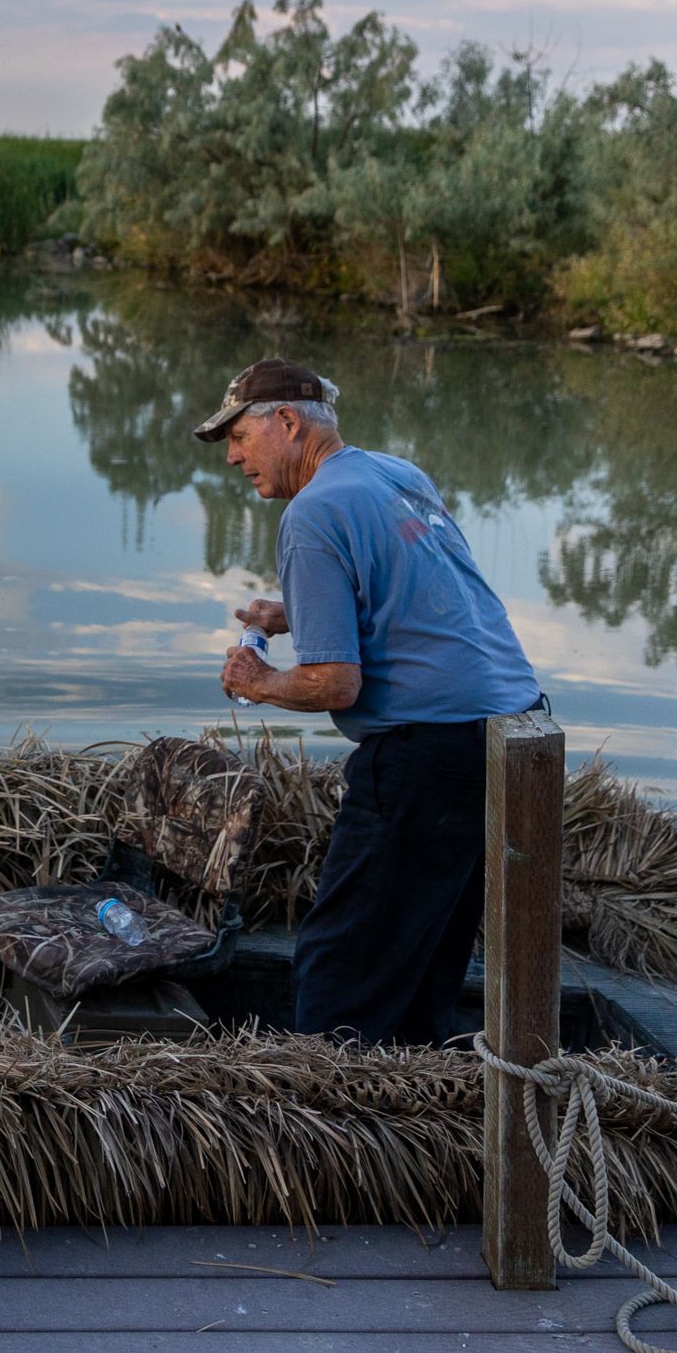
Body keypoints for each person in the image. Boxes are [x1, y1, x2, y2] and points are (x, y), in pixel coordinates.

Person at [197, 357, 545, 1043]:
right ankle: (417, 1112)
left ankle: (327, 1121)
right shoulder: (395, 475)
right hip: (519, 726)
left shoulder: (311, 513)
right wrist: (291, 615)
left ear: (288, 423)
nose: (234, 456)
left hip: (432, 748)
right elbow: (413, 591)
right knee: (426, 950)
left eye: (238, 436)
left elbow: (335, 684)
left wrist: (257, 682)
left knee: (340, 967)